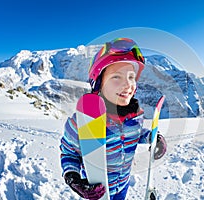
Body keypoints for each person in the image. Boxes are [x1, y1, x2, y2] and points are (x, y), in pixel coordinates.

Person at [60, 38, 167, 200]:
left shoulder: (134, 116)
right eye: (117, 77)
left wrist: (153, 138)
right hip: (97, 193)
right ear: (98, 83)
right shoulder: (83, 121)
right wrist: (73, 178)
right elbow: (69, 153)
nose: (128, 84)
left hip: (122, 186)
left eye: (131, 77)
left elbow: (135, 134)